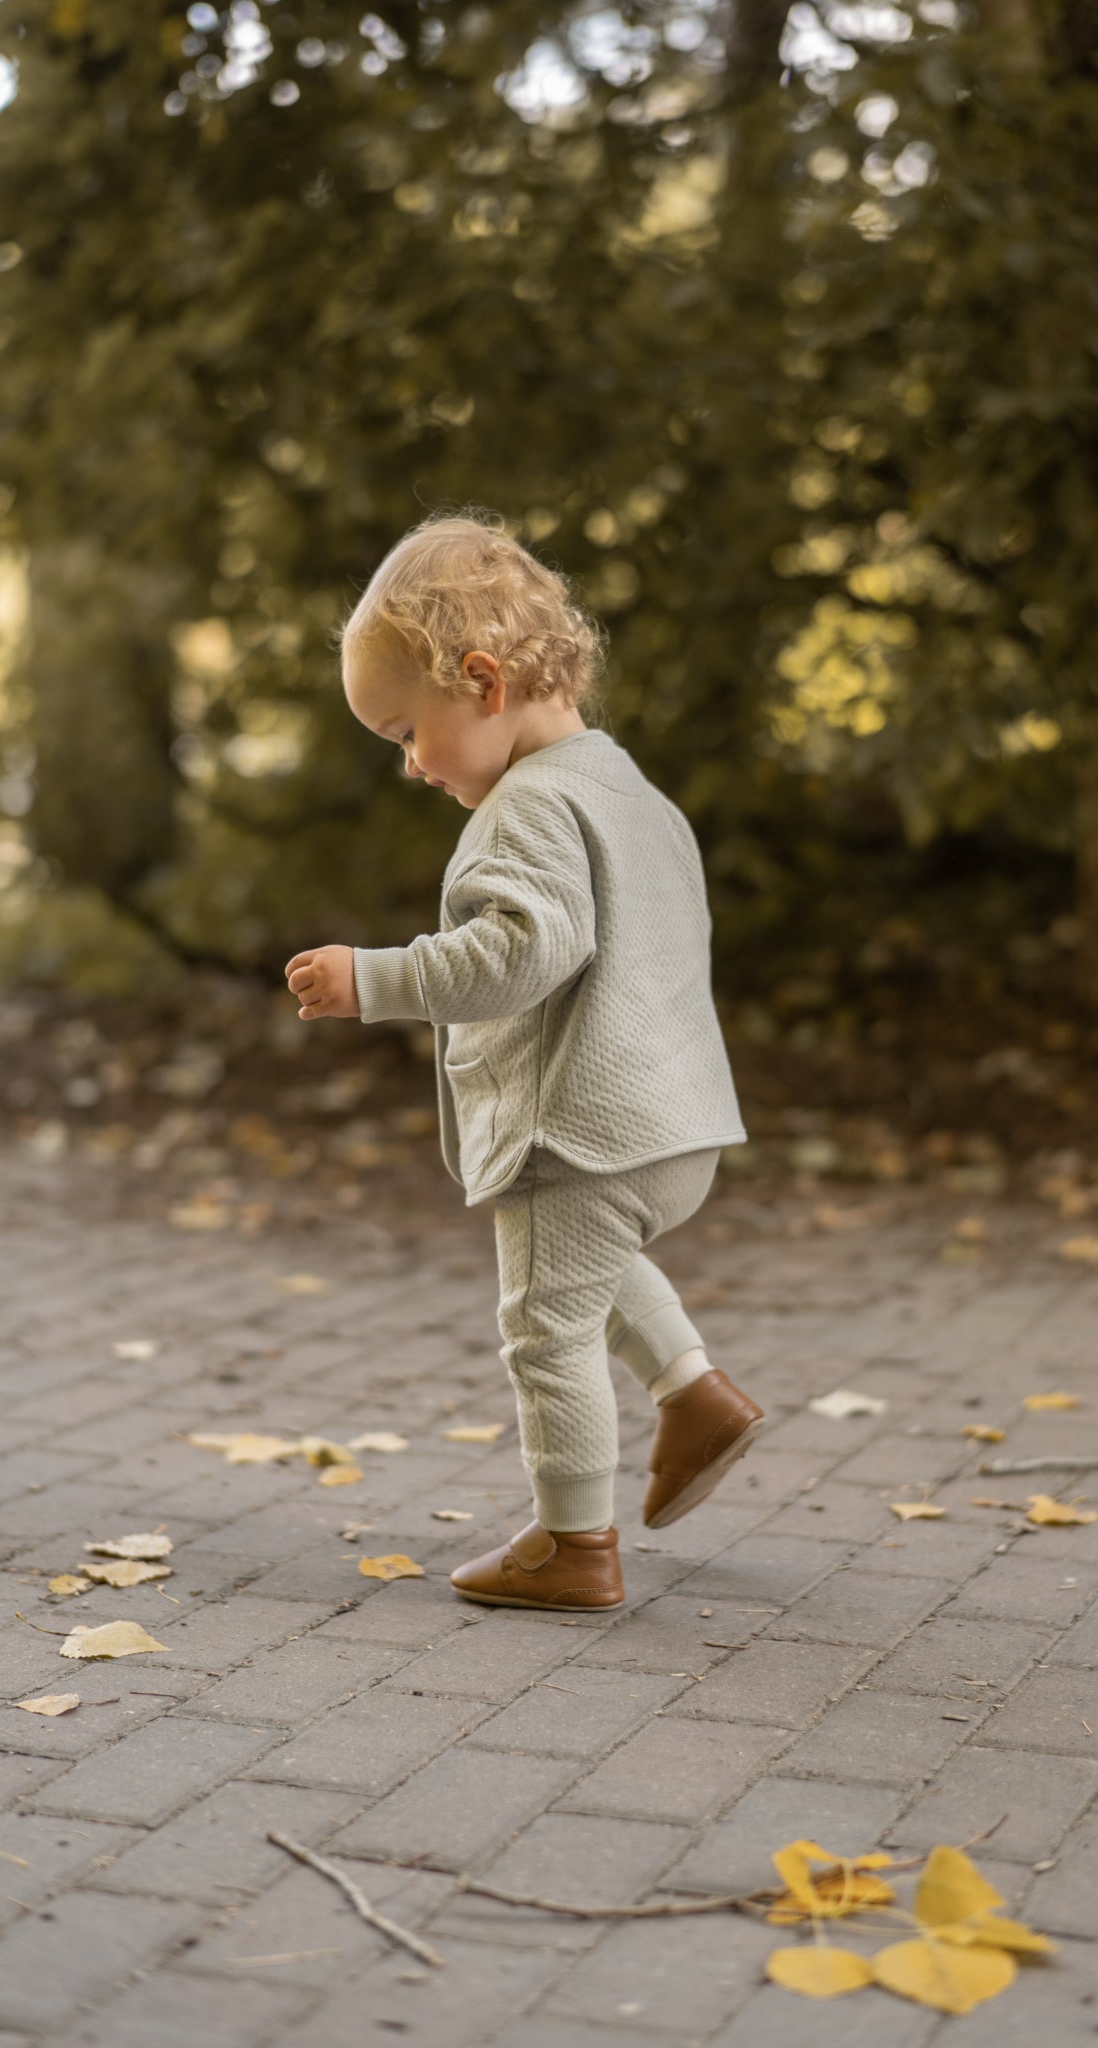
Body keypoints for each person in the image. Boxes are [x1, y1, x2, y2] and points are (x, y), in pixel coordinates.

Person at [284, 510, 763, 1611]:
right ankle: (695, 1392)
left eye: (408, 729)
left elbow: (521, 951)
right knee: (581, 1266)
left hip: (579, 1127)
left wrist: (378, 979)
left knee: (544, 1325)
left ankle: (572, 1541)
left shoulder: (528, 811)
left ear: (484, 682)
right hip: (674, 1122)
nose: (410, 764)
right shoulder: (632, 793)